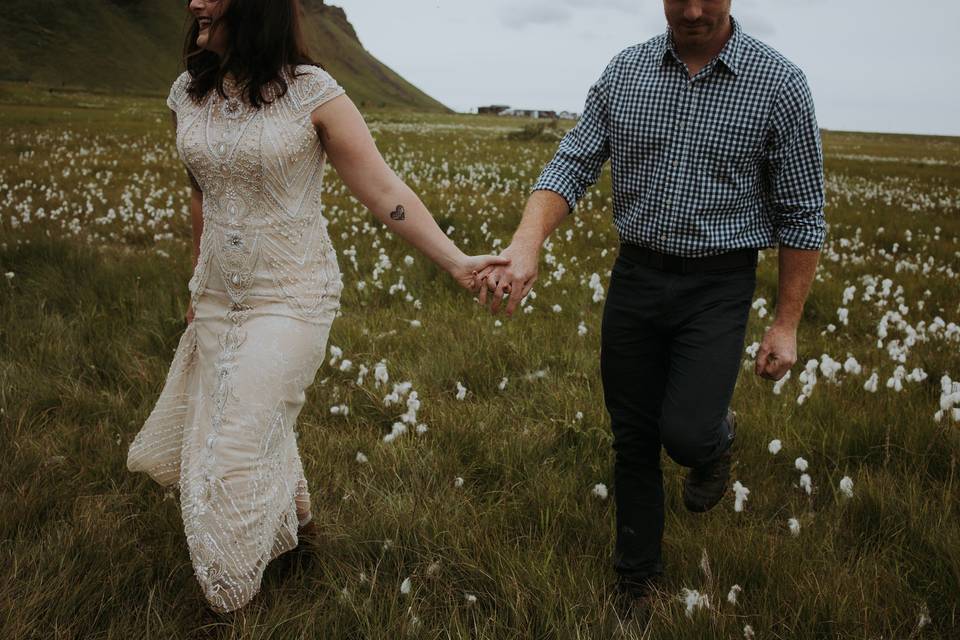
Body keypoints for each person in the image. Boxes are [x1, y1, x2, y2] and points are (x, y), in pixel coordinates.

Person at [127, 0, 506, 613]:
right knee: (245, 417)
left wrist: (458, 263)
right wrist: (198, 284)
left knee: (229, 452)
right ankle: (301, 534)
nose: (196, 2)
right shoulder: (186, 94)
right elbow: (201, 193)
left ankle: (229, 600)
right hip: (220, 297)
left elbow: (383, 189)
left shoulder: (312, 94)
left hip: (293, 296)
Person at [479, 0, 825, 605]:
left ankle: (713, 445)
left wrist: (786, 323)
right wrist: (526, 244)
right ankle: (637, 580)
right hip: (637, 277)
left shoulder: (780, 84)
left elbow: (802, 212)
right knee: (632, 437)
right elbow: (572, 162)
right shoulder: (626, 71)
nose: (691, 11)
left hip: (719, 286)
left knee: (687, 434)